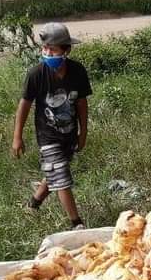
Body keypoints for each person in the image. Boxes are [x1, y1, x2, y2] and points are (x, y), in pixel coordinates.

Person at [12, 22, 92, 230]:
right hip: (47, 135)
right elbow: (24, 105)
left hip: (69, 133)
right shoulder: (36, 74)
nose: (48, 53)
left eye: (53, 50)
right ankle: (77, 222)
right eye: (45, 49)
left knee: (55, 171)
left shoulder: (77, 72)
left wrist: (83, 132)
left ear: (66, 51)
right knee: (61, 174)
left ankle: (33, 204)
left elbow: (82, 104)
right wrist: (17, 136)